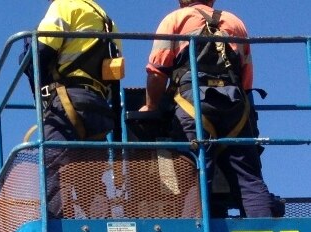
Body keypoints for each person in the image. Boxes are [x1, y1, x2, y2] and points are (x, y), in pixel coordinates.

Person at [139, 0, 273, 218]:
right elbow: (246, 81)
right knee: (249, 178)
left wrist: (151, 105)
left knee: (195, 174)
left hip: (193, 104)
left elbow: (157, 71)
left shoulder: (175, 19)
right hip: (235, 106)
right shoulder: (235, 22)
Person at [22, 0, 122, 218]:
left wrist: (28, 65)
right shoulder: (109, 22)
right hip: (99, 109)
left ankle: (55, 229)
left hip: (68, 102)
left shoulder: (65, 6)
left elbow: (40, 51)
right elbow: (115, 79)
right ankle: (100, 231)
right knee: (90, 175)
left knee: (54, 165)